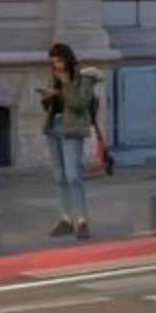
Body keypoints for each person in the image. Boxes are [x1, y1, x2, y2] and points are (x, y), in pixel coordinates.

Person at [38, 42, 101, 238]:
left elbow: (79, 104)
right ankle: (65, 219)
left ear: (68, 59)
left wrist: (65, 83)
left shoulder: (84, 77)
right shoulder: (54, 76)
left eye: (59, 61)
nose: (56, 65)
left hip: (72, 129)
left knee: (73, 176)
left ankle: (82, 221)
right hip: (54, 127)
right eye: (53, 62)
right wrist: (47, 98)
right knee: (60, 176)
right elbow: (50, 107)